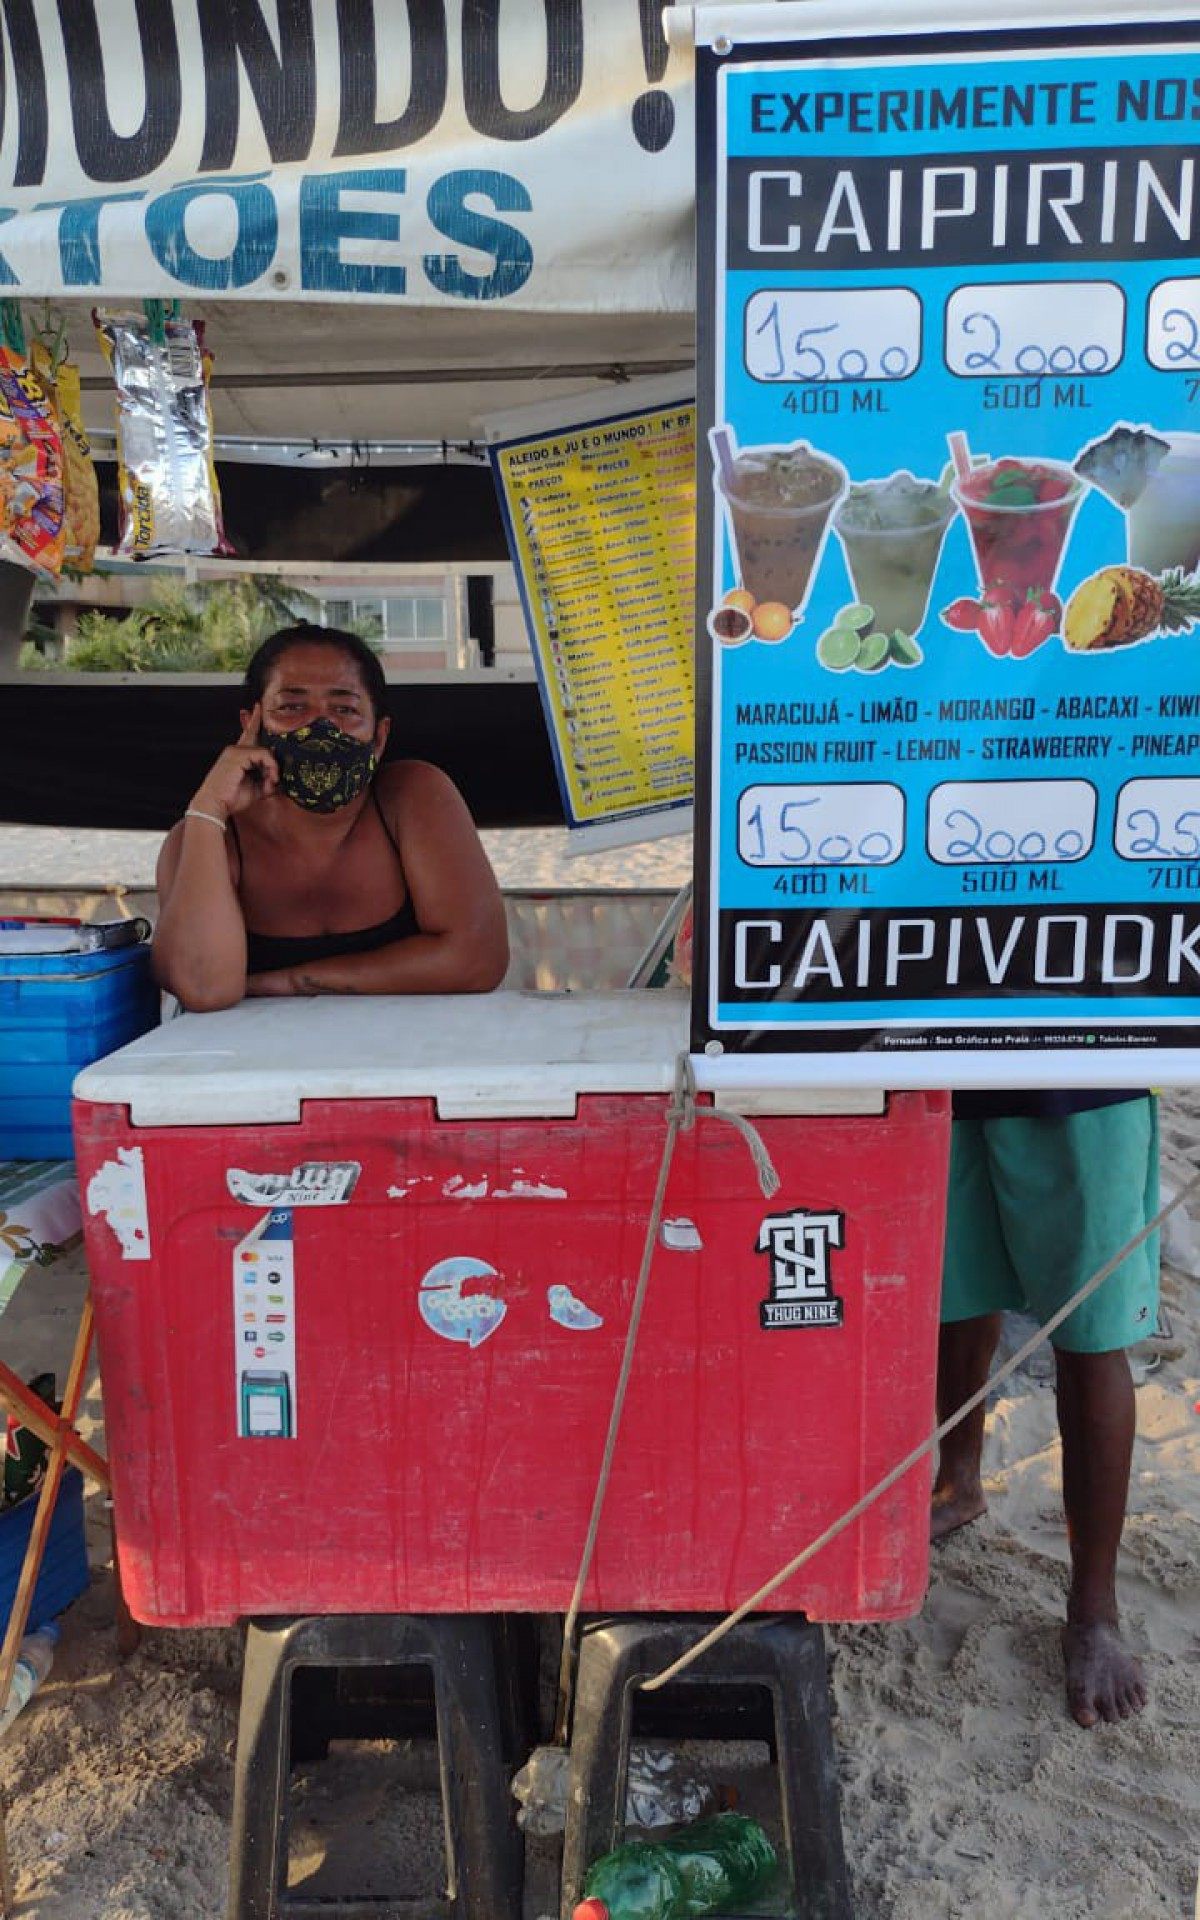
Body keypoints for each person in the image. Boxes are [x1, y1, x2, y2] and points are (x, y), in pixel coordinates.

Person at [932, 1086, 1159, 1730]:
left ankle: (1094, 1612)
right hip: (941, 1059)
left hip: (1081, 1076)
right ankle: (958, 1484)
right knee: (954, 1291)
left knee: (1090, 1333)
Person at [154, 624, 509, 1010]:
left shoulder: (411, 798)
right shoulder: (207, 837)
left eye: (344, 709)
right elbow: (204, 989)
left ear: (379, 736)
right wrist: (208, 809)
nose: (320, 727)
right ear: (250, 726)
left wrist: (291, 982)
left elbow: (477, 961)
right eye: (291, 707)